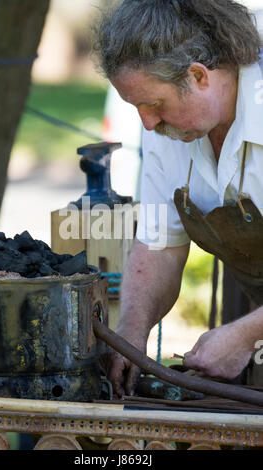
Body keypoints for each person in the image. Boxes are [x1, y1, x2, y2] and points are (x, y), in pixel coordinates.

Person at [94, 0, 263, 398]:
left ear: (199, 76)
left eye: (153, 105)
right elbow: (159, 245)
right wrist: (131, 332)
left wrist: (246, 335)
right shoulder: (168, 133)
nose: (147, 124)